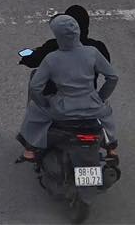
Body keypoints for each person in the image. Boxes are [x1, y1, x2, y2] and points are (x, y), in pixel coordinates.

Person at [18, 14, 119, 162]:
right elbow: (113, 77)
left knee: (35, 109)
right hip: (93, 106)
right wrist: (100, 98)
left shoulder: (52, 58)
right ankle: (111, 147)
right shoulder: (92, 52)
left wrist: (44, 103)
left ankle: (30, 150)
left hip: (63, 109)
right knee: (106, 112)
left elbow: (35, 87)